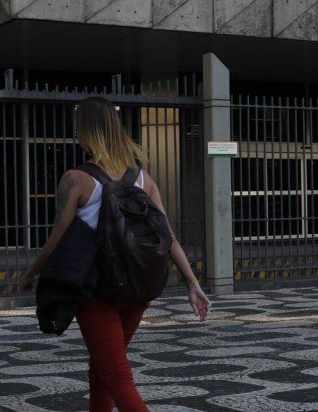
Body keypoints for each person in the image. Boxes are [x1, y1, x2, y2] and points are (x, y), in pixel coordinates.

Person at [21, 96, 211, 412]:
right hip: (136, 289)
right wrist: (193, 284)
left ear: (85, 130)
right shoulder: (142, 178)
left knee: (117, 377)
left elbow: (55, 242)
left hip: (97, 293)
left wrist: (31, 273)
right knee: (103, 368)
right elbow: (168, 237)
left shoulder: (76, 179)